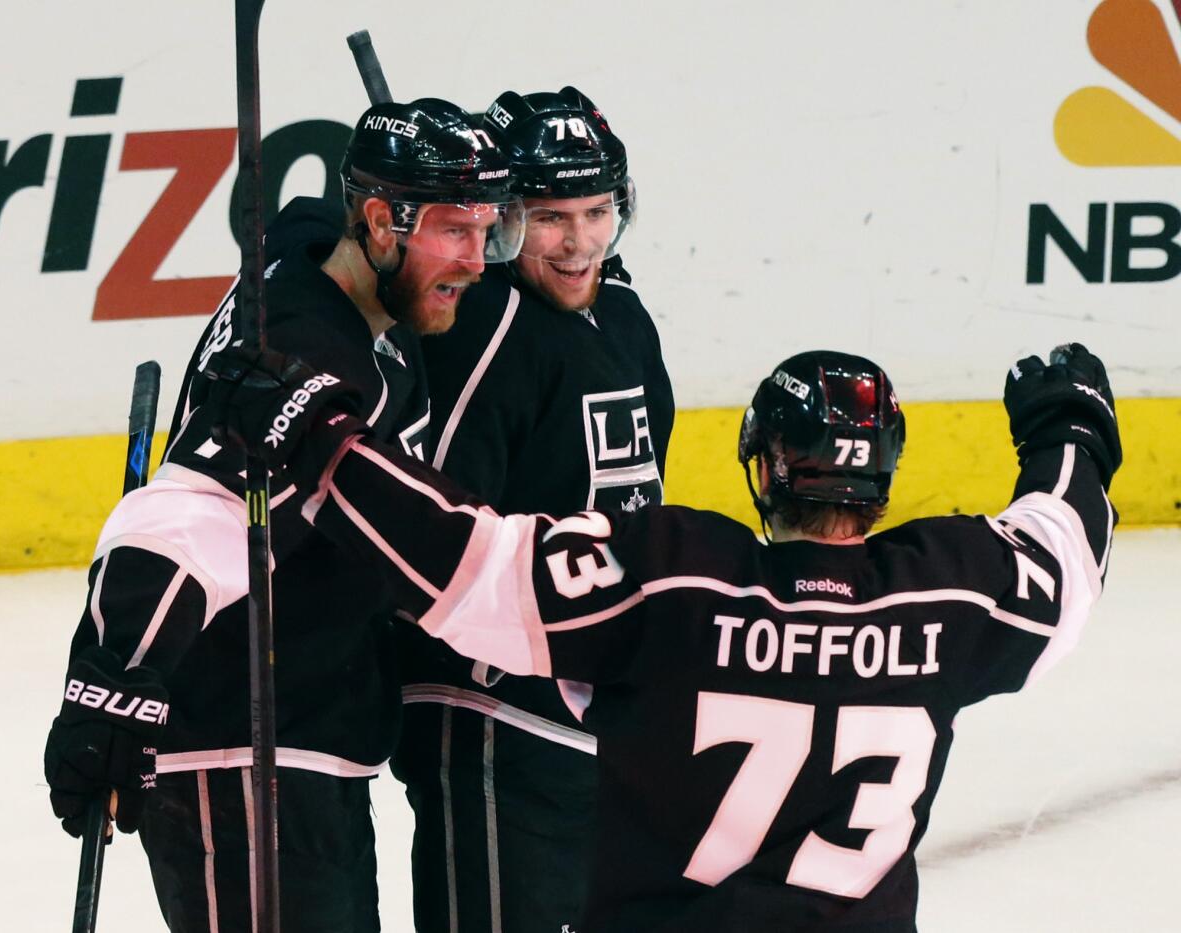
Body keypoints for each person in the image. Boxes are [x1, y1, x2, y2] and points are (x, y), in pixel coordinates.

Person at [208, 341, 1120, 932]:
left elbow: (461, 563)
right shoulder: (952, 592)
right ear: (883, 476)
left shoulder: (674, 577)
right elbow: (1067, 547)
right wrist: (1070, 429)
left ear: (762, 467)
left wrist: (319, 437)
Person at [42, 98, 523, 933]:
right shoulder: (307, 356)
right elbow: (183, 518)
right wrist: (112, 684)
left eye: (489, 230)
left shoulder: (305, 253)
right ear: (379, 221)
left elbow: (298, 221)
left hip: (306, 740)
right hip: (245, 755)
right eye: (456, 231)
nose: (479, 262)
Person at [389, 85, 674, 933]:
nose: (579, 241)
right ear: (501, 219)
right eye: (550, 217)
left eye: (596, 212)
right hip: (491, 715)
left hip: (598, 711)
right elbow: (435, 529)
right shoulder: (484, 326)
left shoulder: (623, 318)